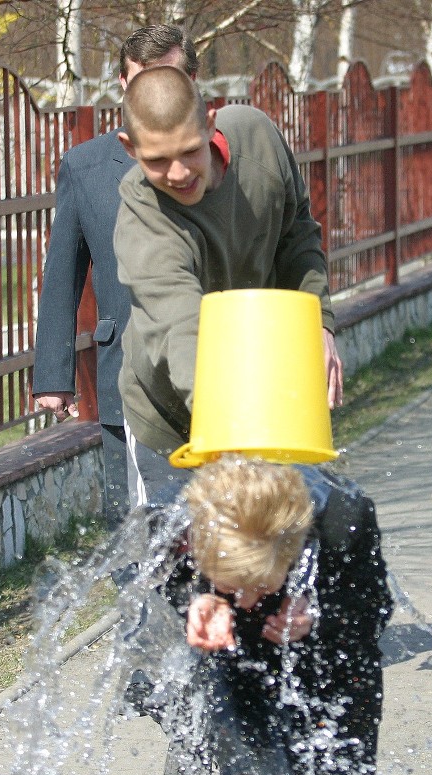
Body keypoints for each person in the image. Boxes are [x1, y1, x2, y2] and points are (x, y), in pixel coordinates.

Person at [113, 66, 343, 506]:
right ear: (129, 148)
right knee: (179, 568)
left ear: (211, 124)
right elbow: (182, 327)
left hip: (267, 392)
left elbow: (296, 235)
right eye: (157, 161)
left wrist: (320, 321)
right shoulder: (143, 216)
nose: (178, 173)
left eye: (190, 151)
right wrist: (234, 433)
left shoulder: (258, 138)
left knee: (297, 549)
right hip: (169, 417)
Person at [159, 454, 393, 775]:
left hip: (338, 673)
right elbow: (163, 578)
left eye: (264, 586)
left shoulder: (343, 516)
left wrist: (318, 616)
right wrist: (196, 598)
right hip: (240, 669)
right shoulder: (184, 518)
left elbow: (375, 607)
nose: (248, 602)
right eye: (233, 587)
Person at [32, 24, 199, 529]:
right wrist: (53, 377)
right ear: (124, 87)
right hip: (125, 378)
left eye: (168, 78)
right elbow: (63, 273)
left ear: (192, 80)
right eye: (143, 81)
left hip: (220, 373)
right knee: (136, 534)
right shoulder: (85, 166)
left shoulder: (218, 157)